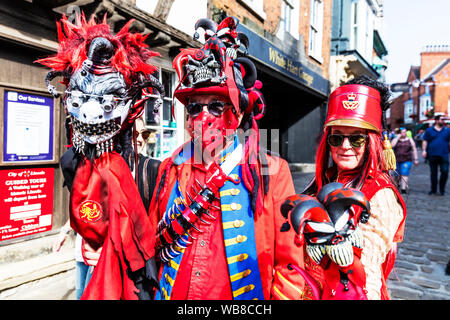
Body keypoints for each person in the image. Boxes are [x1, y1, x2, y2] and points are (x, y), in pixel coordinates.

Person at [148, 16, 306, 300]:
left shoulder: (271, 171)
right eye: (195, 107)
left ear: (240, 111)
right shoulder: (172, 167)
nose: (204, 117)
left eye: (217, 106)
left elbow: (291, 263)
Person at [38, 13, 164, 299]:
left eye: (108, 101)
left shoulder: (151, 170)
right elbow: (80, 202)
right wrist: (67, 231)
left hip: (127, 273)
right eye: (81, 99)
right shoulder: (73, 160)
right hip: (85, 257)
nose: (92, 112)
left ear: (132, 107)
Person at [285, 76, 407, 300]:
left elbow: (367, 268)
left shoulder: (381, 193)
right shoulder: (327, 178)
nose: (345, 146)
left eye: (356, 139)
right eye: (337, 138)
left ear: (372, 142)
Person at [422, 115, 450, 196]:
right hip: (432, 154)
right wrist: (424, 150)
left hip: (444, 154)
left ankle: (442, 189)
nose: (443, 121)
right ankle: (433, 190)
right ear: (437, 120)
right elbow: (425, 141)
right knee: (433, 173)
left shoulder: (447, 130)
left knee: (445, 172)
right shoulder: (429, 130)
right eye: (442, 119)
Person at [391, 127, 419, 193]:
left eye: (405, 131)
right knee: (397, 175)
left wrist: (416, 159)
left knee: (404, 173)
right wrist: (397, 137)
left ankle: (403, 189)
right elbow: (392, 145)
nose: (404, 133)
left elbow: (414, 149)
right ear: (399, 133)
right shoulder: (396, 139)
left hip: (407, 159)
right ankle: (397, 186)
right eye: (403, 132)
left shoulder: (410, 139)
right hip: (396, 160)